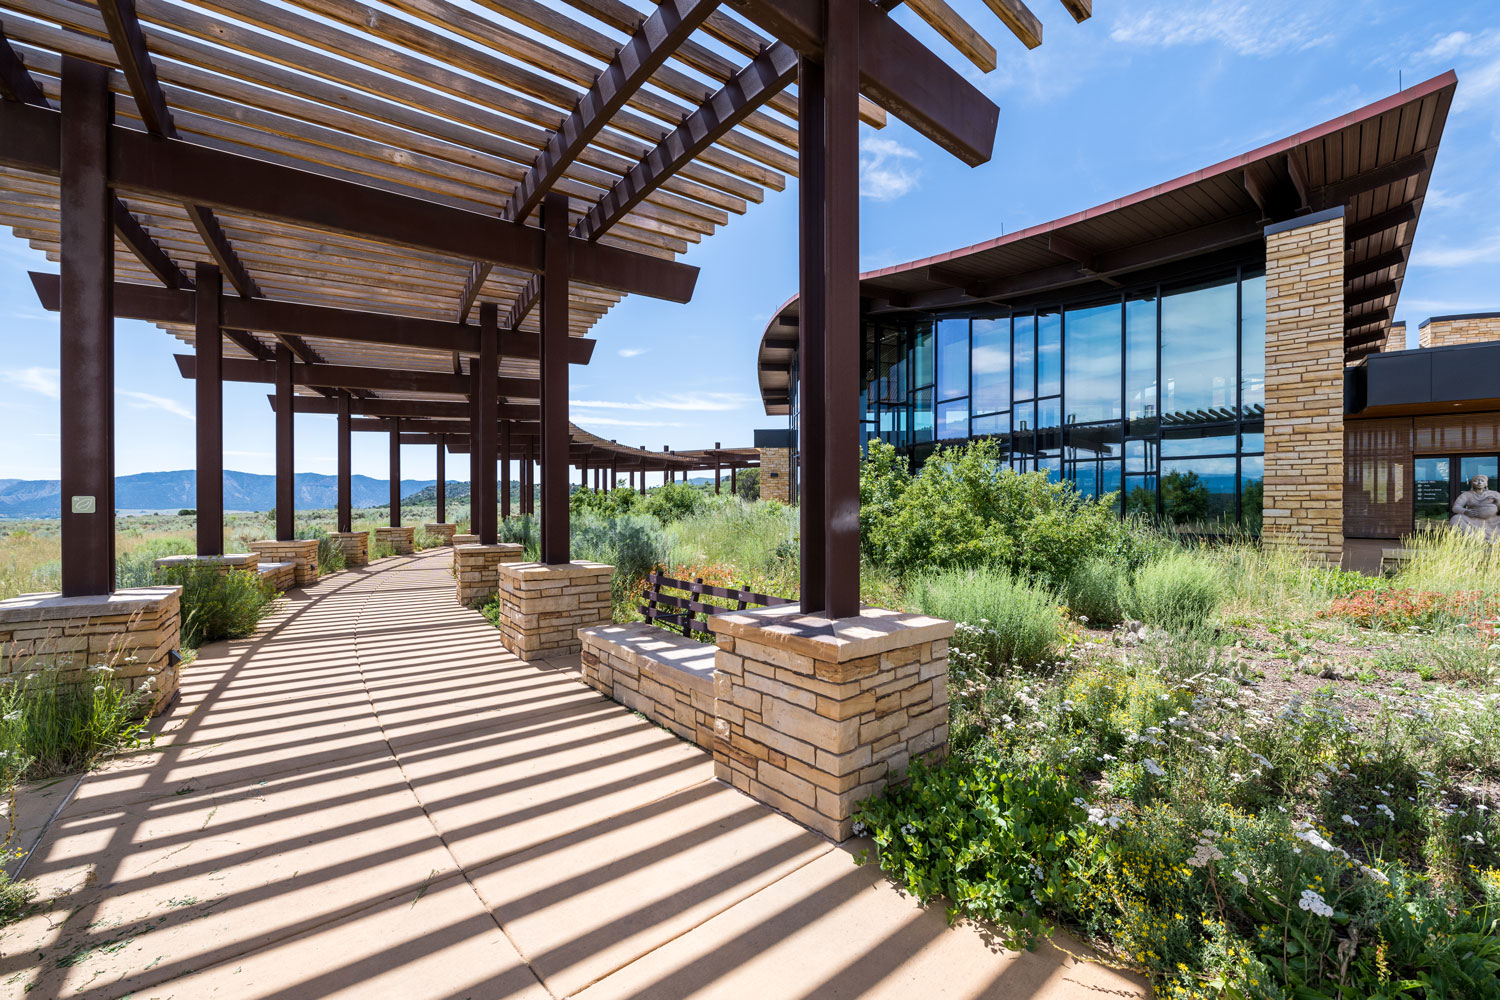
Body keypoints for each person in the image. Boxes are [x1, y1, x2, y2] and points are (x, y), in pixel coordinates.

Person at [1449, 473, 1500, 541]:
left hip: (1492, 520)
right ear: (1472, 483)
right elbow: (1455, 507)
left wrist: (1497, 501)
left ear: (1486, 483)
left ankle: (1494, 540)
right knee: (1456, 519)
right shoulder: (1466, 495)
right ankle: (1475, 540)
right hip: (1473, 519)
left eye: (1482, 481)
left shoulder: (1495, 494)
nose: (1479, 483)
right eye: (1476, 481)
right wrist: (1465, 511)